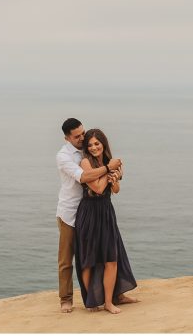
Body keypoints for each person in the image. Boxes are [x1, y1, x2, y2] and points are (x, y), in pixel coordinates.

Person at [56, 118, 122, 313]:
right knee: (67, 259)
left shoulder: (88, 150)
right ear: (67, 138)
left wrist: (113, 174)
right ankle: (66, 299)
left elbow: (112, 184)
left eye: (82, 133)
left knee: (108, 256)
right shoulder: (64, 157)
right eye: (77, 136)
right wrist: (110, 168)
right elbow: (85, 177)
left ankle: (113, 294)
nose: (82, 138)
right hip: (70, 211)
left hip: (94, 211)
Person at [75, 128, 138, 313]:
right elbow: (98, 188)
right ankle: (92, 301)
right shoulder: (86, 162)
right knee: (89, 260)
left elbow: (114, 190)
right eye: (90, 145)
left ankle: (109, 302)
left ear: (103, 143)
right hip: (89, 213)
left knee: (112, 258)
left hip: (106, 211)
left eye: (97, 143)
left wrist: (115, 179)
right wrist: (110, 170)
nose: (94, 148)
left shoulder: (110, 161)